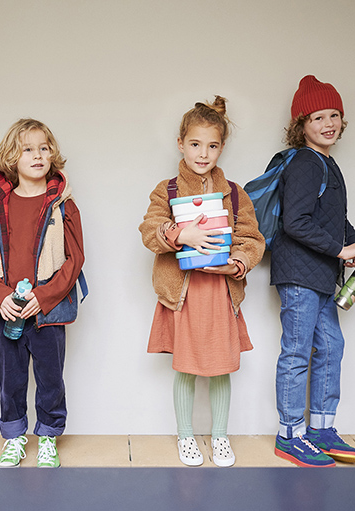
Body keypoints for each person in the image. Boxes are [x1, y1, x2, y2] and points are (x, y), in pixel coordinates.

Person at [139, 97, 265, 467]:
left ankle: (220, 436)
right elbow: (149, 230)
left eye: (212, 145)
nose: (203, 153)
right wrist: (181, 234)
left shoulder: (236, 194)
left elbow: (252, 240)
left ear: (222, 147)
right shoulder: (167, 190)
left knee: (221, 366)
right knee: (187, 366)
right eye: (195, 144)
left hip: (220, 294)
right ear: (181, 144)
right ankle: (186, 436)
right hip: (184, 294)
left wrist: (237, 263)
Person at [0, 119, 85, 468]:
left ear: (52, 155)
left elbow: (75, 259)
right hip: (6, 310)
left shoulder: (63, 205)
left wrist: (45, 297)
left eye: (44, 148)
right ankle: (14, 438)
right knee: (10, 379)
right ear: (11, 157)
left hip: (47, 313)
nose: (37, 155)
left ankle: (49, 437)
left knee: (50, 378)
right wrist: (0, 297)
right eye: (27, 149)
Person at [271, 75, 355, 467]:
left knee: (330, 347)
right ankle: (289, 435)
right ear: (301, 125)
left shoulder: (326, 163)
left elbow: (333, 218)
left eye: (334, 115)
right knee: (296, 352)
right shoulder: (305, 163)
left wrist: (354, 242)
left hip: (321, 273)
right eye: (317, 117)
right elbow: (295, 222)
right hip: (300, 274)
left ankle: (321, 429)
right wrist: (340, 249)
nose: (328, 123)